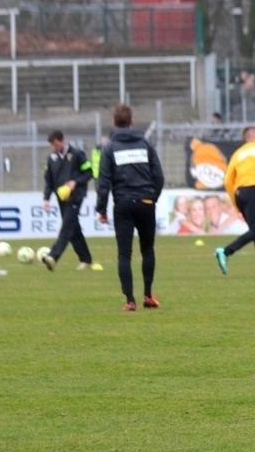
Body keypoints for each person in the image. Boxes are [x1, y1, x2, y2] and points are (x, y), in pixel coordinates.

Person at [96, 104, 165, 311]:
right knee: (148, 249)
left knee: (124, 254)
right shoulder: (145, 143)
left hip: (123, 204)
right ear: (132, 121)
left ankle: (130, 300)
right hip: (146, 202)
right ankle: (148, 295)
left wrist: (101, 209)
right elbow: (158, 176)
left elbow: (103, 181)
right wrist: (152, 197)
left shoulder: (109, 147)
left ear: (114, 123)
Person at [214, 125, 255, 277]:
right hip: (253, 191)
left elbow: (228, 181)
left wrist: (236, 204)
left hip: (240, 194)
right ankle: (226, 251)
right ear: (254, 137)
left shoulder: (238, 153)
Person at [41, 131, 94, 271]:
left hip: (76, 196)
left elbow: (89, 173)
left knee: (67, 226)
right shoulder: (52, 158)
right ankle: (86, 260)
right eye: (52, 145)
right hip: (61, 197)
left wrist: (75, 182)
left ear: (62, 140)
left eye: (56, 144)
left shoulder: (77, 154)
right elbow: (49, 181)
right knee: (73, 228)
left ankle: (53, 257)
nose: (54, 147)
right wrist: (46, 199)